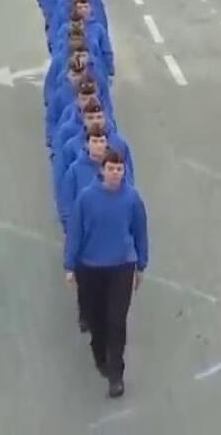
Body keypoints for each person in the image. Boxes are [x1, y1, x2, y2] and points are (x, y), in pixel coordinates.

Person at [63, 150, 147, 398]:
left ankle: (116, 373)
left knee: (116, 320)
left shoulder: (132, 199)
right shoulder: (86, 199)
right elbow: (75, 233)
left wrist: (141, 264)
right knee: (96, 318)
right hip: (91, 266)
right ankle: (100, 352)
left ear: (124, 171)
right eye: (111, 168)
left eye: (119, 169)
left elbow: (140, 232)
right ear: (102, 170)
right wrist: (70, 266)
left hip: (122, 265)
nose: (115, 173)